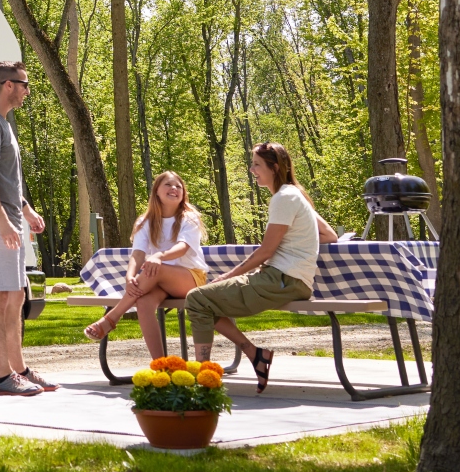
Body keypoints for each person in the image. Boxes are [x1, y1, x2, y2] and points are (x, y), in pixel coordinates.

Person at [183, 142, 339, 392]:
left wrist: (229, 275)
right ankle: (254, 354)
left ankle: (204, 378)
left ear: (274, 167)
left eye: (256, 164)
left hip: (282, 280)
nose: (251, 169)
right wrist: (299, 242)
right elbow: (330, 234)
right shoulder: (294, 194)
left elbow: (266, 251)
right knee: (204, 302)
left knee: (196, 298)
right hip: (288, 280)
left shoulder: (284, 198)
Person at [0, 61, 54, 396]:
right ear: (7, 85)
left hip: (11, 223)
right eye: (24, 84)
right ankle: (3, 377)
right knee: (0, 297)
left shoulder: (1, 122)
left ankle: (20, 370)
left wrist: (26, 211)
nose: (27, 91)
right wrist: (4, 222)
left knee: (17, 296)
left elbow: (5, 179)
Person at [82, 171, 208, 362]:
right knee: (143, 302)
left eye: (178, 186)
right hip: (158, 280)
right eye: (168, 185)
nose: (174, 189)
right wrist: (129, 277)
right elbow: (138, 253)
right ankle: (161, 365)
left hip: (191, 279)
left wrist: (159, 256)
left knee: (155, 268)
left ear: (183, 193)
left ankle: (112, 318)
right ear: (156, 190)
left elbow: (182, 248)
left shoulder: (189, 218)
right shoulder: (145, 221)